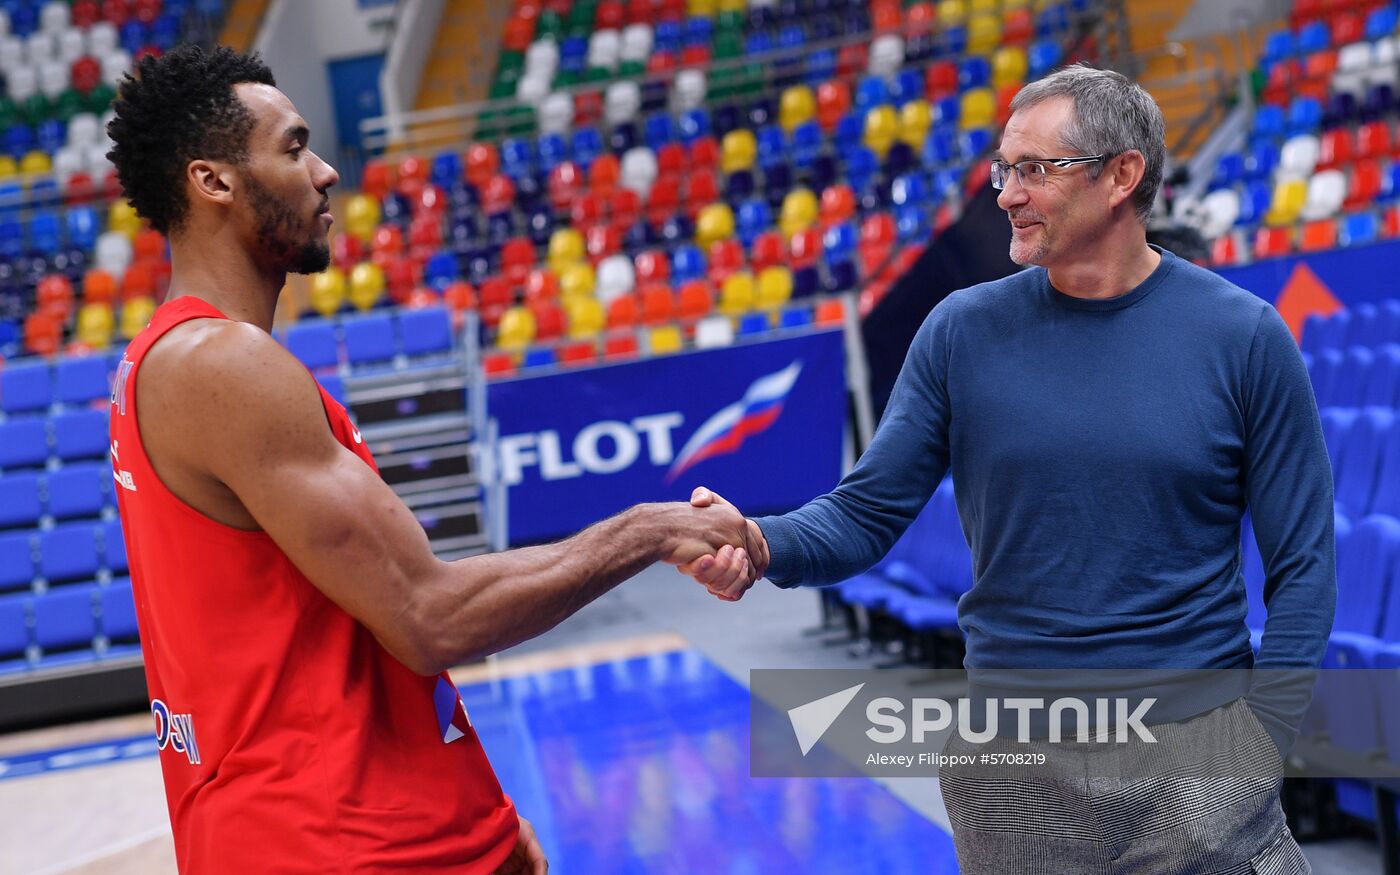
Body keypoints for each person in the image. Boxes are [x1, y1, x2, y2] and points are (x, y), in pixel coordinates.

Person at [105, 45, 753, 874]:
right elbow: (431, 614)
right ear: (215, 182)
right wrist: (650, 530)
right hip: (333, 841)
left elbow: (345, 623)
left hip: (364, 824)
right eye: (296, 146)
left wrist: (476, 800)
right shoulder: (222, 366)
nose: (328, 171)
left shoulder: (169, 361)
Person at [683, 64, 1333, 873]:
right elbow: (866, 510)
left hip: (1197, 756)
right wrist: (759, 540)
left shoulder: (1244, 338)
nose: (1007, 193)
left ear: (1122, 175)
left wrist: (1260, 738)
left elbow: (1304, 564)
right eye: (1005, 169)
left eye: (1034, 169)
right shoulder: (962, 332)